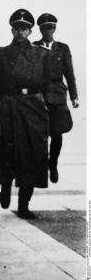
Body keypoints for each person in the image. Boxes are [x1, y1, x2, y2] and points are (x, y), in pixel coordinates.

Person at [0, 9, 51, 218]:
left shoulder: (42, 54)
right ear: (12, 29)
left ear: (31, 30)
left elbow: (49, 85)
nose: (20, 32)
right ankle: (5, 184)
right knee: (3, 152)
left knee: (34, 154)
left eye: (24, 28)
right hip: (8, 107)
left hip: (33, 108)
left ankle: (24, 204)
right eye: (17, 27)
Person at [32, 13, 79, 183]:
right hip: (39, 96)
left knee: (57, 134)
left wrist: (74, 96)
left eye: (50, 27)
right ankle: (42, 164)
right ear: (40, 29)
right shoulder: (34, 46)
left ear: (55, 28)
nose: (48, 31)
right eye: (44, 27)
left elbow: (70, 73)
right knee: (40, 134)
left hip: (58, 95)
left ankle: (53, 164)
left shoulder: (63, 48)